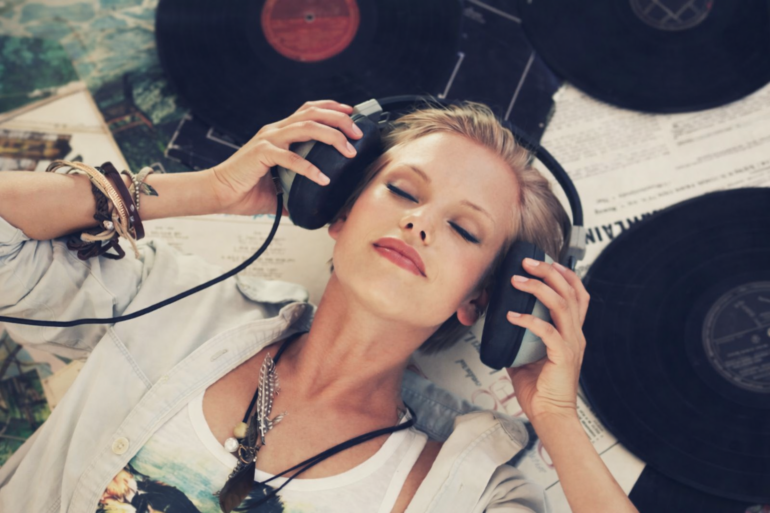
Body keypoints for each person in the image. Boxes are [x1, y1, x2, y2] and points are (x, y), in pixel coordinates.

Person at [0, 99, 639, 513]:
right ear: (335, 211)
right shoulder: (169, 303)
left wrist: (556, 418)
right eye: (403, 191)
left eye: (464, 229)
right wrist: (209, 189)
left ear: (483, 301)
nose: (419, 222)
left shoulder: (469, 491)